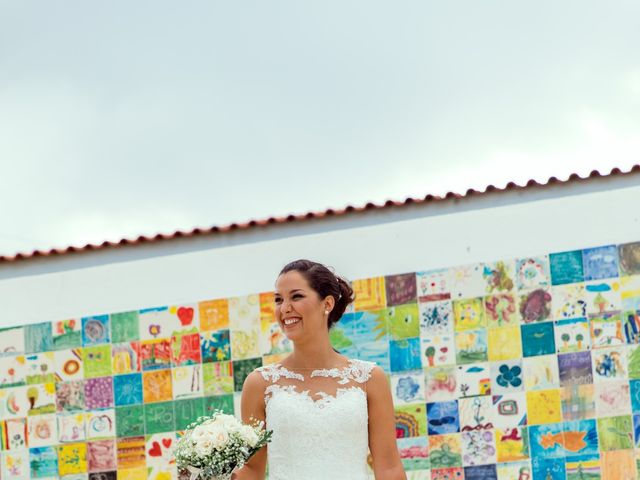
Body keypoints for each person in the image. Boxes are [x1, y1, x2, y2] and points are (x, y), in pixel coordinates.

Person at [234, 259, 406, 480]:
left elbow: (389, 467)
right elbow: (251, 469)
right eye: (279, 300)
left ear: (327, 304)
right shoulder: (260, 383)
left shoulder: (369, 378)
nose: (285, 308)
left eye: (296, 296)